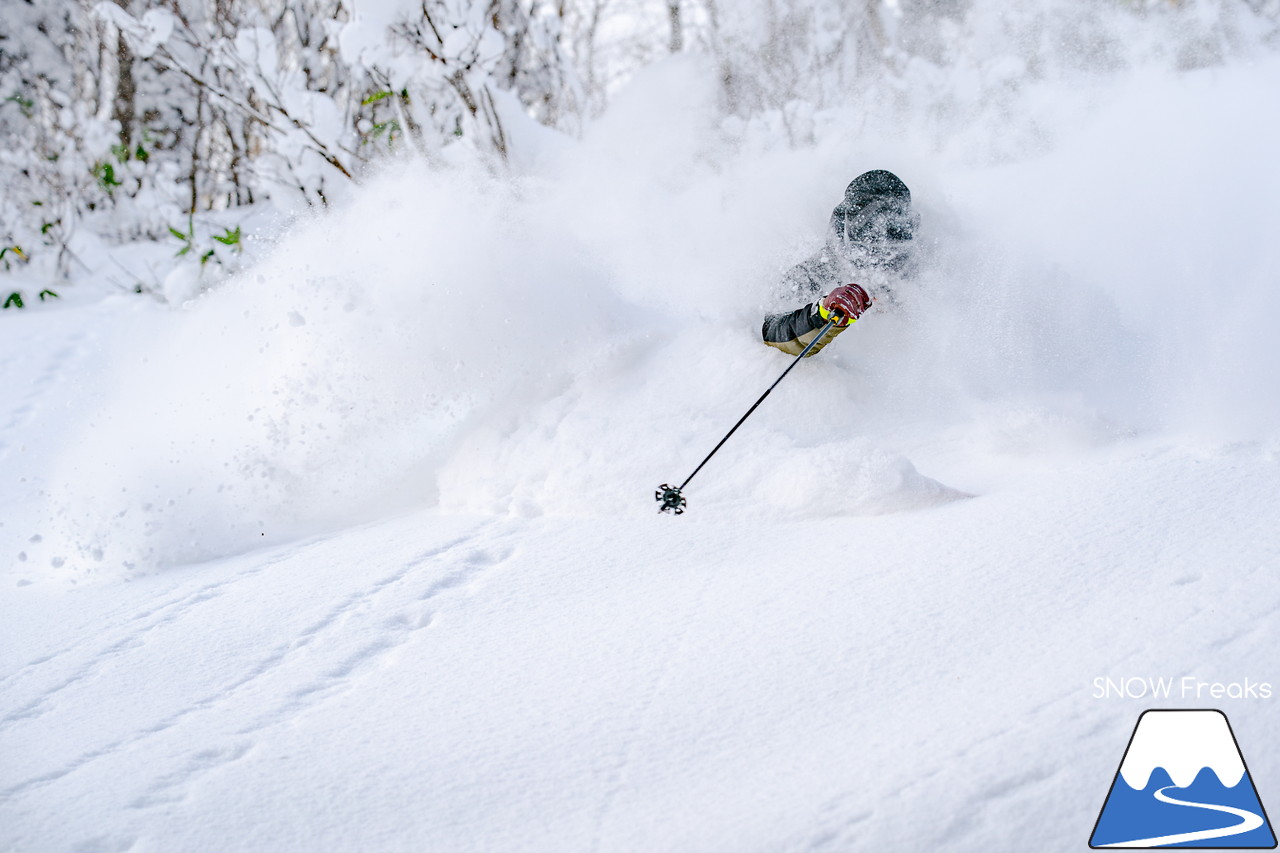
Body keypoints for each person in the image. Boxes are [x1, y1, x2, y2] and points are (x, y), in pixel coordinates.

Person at [761, 169, 919, 356]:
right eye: (865, 253)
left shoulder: (930, 270)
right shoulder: (821, 269)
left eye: (892, 253)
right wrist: (822, 313)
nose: (878, 265)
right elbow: (773, 331)